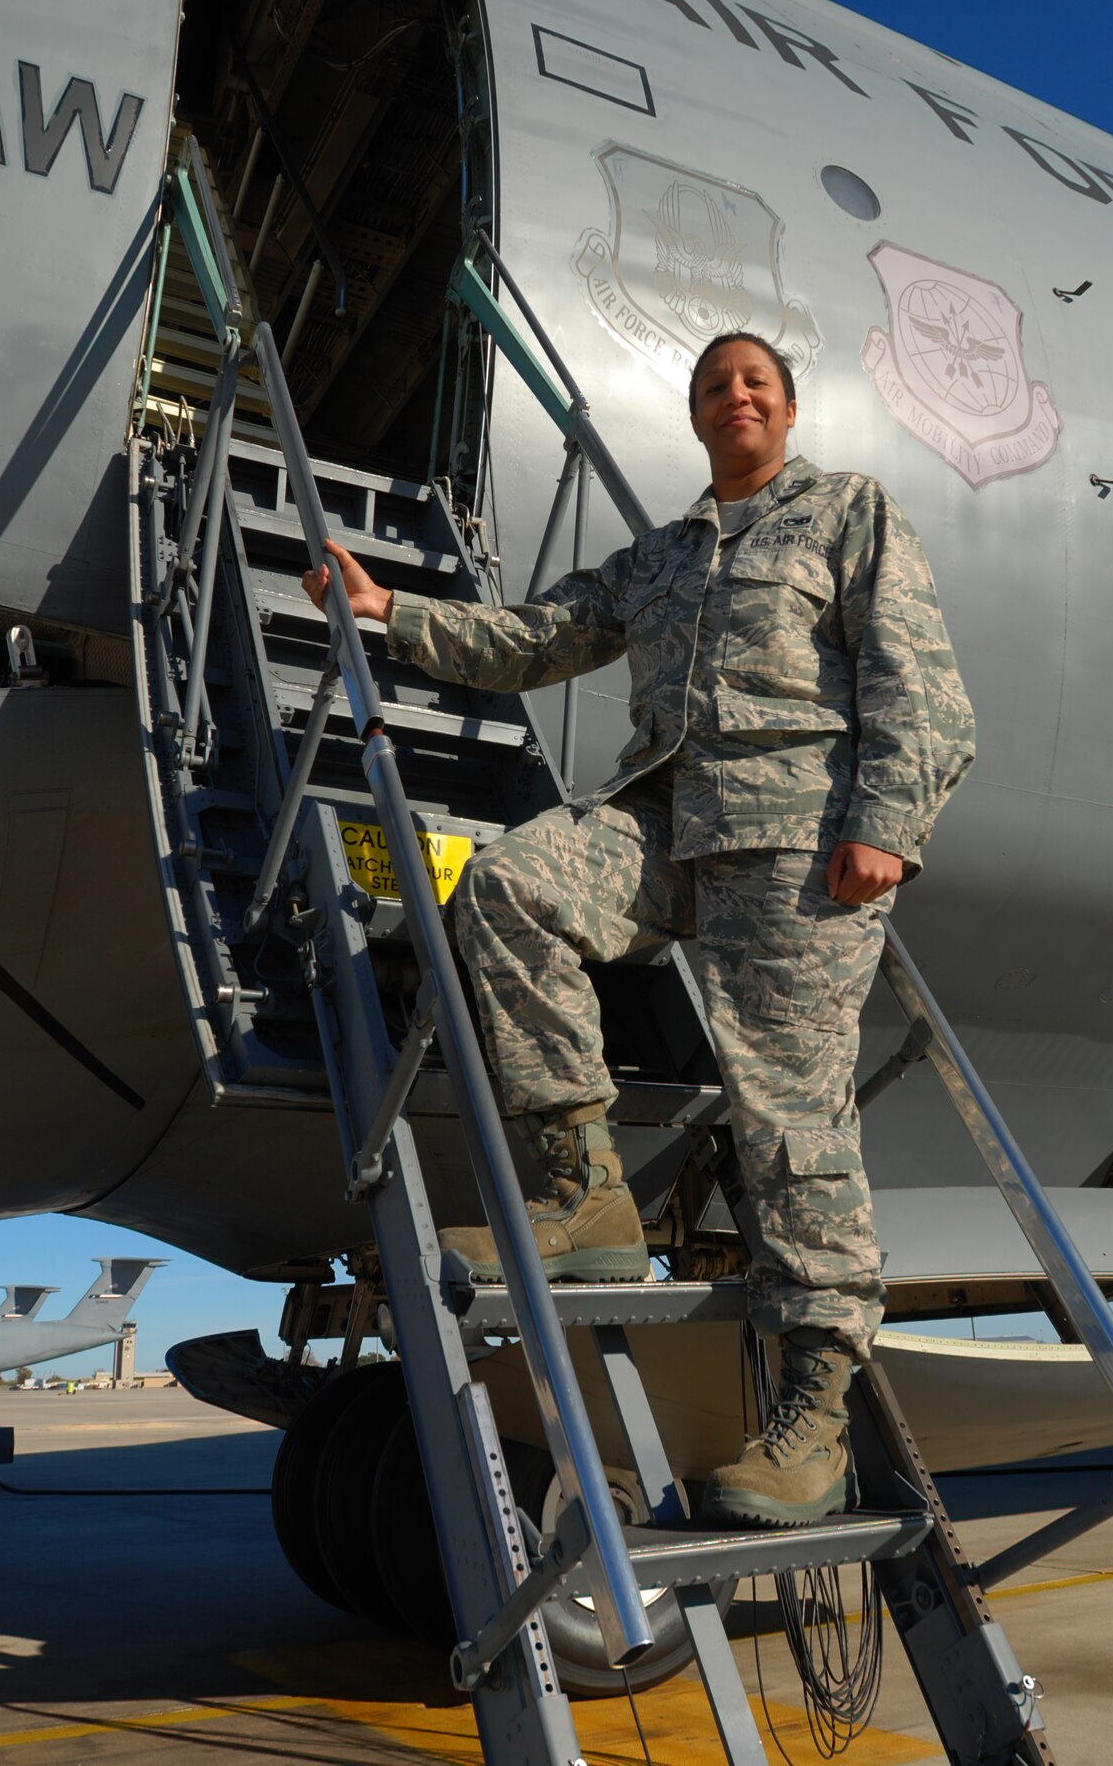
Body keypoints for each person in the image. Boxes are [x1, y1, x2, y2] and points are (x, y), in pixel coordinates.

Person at [304, 333, 975, 1527]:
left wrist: (887, 822)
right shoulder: (659, 557)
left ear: (787, 405)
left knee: (788, 1113)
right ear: (696, 414)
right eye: (715, 386)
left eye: (754, 382)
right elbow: (534, 640)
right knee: (512, 887)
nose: (736, 397)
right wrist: (387, 609)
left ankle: (811, 1415)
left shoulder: (845, 513)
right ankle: (585, 1191)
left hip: (795, 838)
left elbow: (919, 685)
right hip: (666, 817)